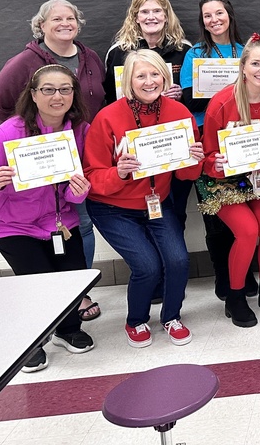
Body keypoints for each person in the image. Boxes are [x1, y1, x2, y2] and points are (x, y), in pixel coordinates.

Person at [0, 64, 96, 372]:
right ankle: (33, 342)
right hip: (11, 226)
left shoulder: (80, 131)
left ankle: (67, 330)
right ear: (34, 95)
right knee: (36, 283)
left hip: (60, 222)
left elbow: (77, 186)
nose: (57, 96)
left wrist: (78, 193)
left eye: (65, 89)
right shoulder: (8, 132)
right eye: (48, 90)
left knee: (72, 279)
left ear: (74, 94)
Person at [0, 0, 104, 321]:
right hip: (24, 199)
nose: (65, 23)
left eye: (70, 18)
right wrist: (28, 138)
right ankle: (44, 325)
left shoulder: (90, 58)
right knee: (41, 274)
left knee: (79, 230)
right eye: (56, 19)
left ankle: (76, 298)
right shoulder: (24, 63)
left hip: (74, 160)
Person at [83, 49, 203, 348]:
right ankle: (136, 320)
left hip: (156, 202)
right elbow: (92, 176)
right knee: (147, 266)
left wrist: (193, 160)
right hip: (112, 207)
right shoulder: (107, 117)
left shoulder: (179, 113)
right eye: (141, 75)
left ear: (165, 76)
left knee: (177, 260)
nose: (149, 82)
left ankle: (171, 316)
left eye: (155, 74)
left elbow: (187, 176)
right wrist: (119, 173)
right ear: (128, 80)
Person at [201, 34, 260, 326]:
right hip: (222, 181)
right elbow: (206, 154)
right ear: (243, 66)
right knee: (248, 231)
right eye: (255, 63)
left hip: (259, 178)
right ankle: (235, 296)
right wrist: (217, 162)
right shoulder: (222, 101)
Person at [178, 0, 254, 302]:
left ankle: (246, 274)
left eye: (219, 13)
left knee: (246, 207)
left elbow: (254, 93)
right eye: (207, 15)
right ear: (202, 21)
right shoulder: (193, 53)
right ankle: (224, 278)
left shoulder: (244, 51)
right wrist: (224, 94)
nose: (214, 20)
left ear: (229, 15)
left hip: (241, 140)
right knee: (216, 214)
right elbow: (188, 99)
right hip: (207, 140)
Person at [102, 0, 194, 230]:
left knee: (176, 209)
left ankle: (173, 254)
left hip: (173, 142)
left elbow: (194, 94)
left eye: (157, 11)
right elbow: (111, 99)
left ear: (167, 15)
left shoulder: (184, 49)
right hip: (137, 144)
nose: (151, 16)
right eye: (144, 11)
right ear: (135, 16)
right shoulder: (119, 52)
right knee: (141, 208)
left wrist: (180, 95)